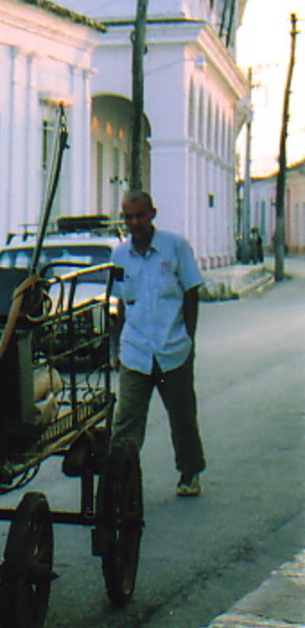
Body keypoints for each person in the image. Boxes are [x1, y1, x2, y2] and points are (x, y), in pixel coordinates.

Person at [109, 190, 206, 497]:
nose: (134, 222)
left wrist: (189, 340)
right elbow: (121, 304)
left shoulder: (175, 247)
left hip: (172, 348)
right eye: (128, 216)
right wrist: (116, 348)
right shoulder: (119, 255)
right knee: (125, 422)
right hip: (135, 351)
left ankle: (189, 473)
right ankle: (119, 481)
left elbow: (191, 294)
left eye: (140, 215)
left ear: (152, 213)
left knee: (182, 417)